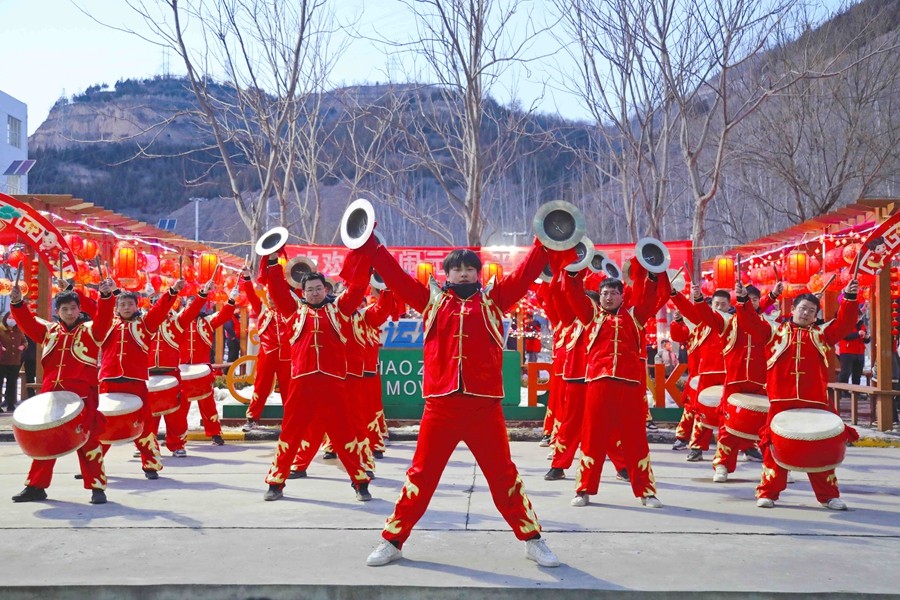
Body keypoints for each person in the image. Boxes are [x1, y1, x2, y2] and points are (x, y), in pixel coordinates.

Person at [364, 239, 559, 568]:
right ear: (447, 274)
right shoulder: (431, 301)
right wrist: (374, 248)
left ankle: (532, 540)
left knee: (503, 476)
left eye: (470, 268)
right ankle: (392, 540)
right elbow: (396, 278)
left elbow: (525, 274)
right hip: (440, 407)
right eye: (457, 269)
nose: (464, 273)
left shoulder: (495, 301)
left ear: (478, 273)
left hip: (484, 407)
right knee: (421, 476)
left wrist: (546, 242)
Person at [261, 241, 375, 503]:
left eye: (318, 289)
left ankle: (360, 483)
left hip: (333, 384)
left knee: (344, 433)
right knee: (290, 433)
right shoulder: (293, 312)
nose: (314, 293)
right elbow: (276, 289)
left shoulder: (340, 311)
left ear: (326, 290)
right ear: (303, 293)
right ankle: (276, 482)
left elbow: (357, 288)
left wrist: (363, 258)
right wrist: (273, 262)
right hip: (301, 384)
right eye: (309, 290)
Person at [735, 280, 859, 510]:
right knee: (775, 448)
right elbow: (750, 321)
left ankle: (828, 496)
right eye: (802, 308)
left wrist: (850, 298)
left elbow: (845, 323)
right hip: (781, 402)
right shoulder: (774, 331)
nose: (806, 313)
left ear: (816, 316)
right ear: (792, 309)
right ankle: (768, 492)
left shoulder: (822, 334)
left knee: (819, 449)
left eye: (811, 311)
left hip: (815, 402)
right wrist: (742, 300)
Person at [561, 261, 669, 510]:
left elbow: (650, 298)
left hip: (629, 386)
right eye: (604, 293)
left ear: (622, 296)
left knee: (636, 440)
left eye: (613, 293)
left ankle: (647, 492)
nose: (608, 297)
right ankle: (583, 489)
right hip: (598, 384)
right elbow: (572, 295)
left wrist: (653, 276)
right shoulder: (590, 317)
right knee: (592, 437)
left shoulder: (635, 317)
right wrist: (572, 273)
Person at [9, 279, 114, 504]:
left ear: (79, 309)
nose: (69, 312)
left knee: (88, 442)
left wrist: (106, 298)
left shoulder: (91, 331)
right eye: (64, 309)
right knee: (45, 440)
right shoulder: (49, 332)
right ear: (57, 312)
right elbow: (27, 323)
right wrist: (17, 303)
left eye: (73, 308)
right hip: (52, 397)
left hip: (82, 397)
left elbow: (105, 319)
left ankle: (97, 488)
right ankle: (36, 486)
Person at [689, 282, 783, 482]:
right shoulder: (727, 322)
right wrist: (698, 298)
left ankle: (776, 467)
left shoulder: (769, 326)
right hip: (734, 381)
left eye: (755, 299)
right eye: (748, 299)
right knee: (727, 425)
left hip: (762, 383)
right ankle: (722, 465)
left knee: (768, 426)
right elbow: (706, 315)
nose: (751, 302)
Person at [98, 282, 182, 479]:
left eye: (130, 304)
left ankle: (151, 464)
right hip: (109, 379)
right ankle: (92, 465)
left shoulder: (145, 324)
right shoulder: (107, 324)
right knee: (103, 424)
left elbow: (160, 309)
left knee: (143, 424)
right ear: (116, 307)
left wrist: (172, 291)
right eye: (122, 304)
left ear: (137, 306)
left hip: (135, 380)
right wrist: (102, 295)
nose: (126, 307)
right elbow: (93, 309)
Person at [146, 280, 206, 457]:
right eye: (155, 303)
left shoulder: (177, 321)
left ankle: (177, 444)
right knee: (149, 412)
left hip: (171, 371)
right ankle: (147, 445)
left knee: (175, 412)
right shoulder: (145, 322)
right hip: (148, 373)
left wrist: (203, 294)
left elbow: (193, 310)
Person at [670, 291, 727, 461]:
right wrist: (674, 295)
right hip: (703, 374)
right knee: (700, 411)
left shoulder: (733, 322)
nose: (719, 307)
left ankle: (747, 448)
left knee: (731, 412)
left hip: (729, 373)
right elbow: (686, 315)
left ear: (729, 305)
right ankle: (695, 446)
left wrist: (772, 297)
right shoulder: (701, 324)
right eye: (716, 304)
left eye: (723, 304)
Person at [179, 287, 238, 446]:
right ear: (185, 306)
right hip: (182, 369)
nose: (193, 308)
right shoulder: (178, 321)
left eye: (196, 305)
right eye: (190, 305)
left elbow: (224, 315)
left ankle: (215, 433)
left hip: (202, 368)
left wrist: (231, 300)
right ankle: (177, 436)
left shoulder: (207, 321)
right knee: (180, 405)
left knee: (207, 403)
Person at [240, 270, 294, 431]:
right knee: (260, 386)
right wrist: (247, 278)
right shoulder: (263, 310)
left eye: (274, 296)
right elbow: (251, 296)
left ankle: (290, 420)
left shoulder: (290, 311)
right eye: (269, 297)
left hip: (286, 356)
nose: (271, 299)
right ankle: (252, 418)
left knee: (288, 389)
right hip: (267, 354)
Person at [0, 312, 27, 412]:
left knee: (12, 384)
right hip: (2, 361)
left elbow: (25, 341)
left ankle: (10, 404)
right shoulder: (1, 329)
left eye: (14, 318)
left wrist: (23, 346)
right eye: (10, 317)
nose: (12, 320)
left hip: (15, 361)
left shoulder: (19, 330)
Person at [837, 317, 869, 388]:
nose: (857, 318)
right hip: (847, 352)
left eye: (859, 316)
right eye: (856, 316)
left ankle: (856, 391)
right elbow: (845, 336)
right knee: (845, 373)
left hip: (860, 352)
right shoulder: (845, 324)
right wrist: (858, 333)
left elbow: (865, 339)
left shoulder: (862, 325)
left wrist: (867, 338)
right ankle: (843, 391)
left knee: (857, 375)